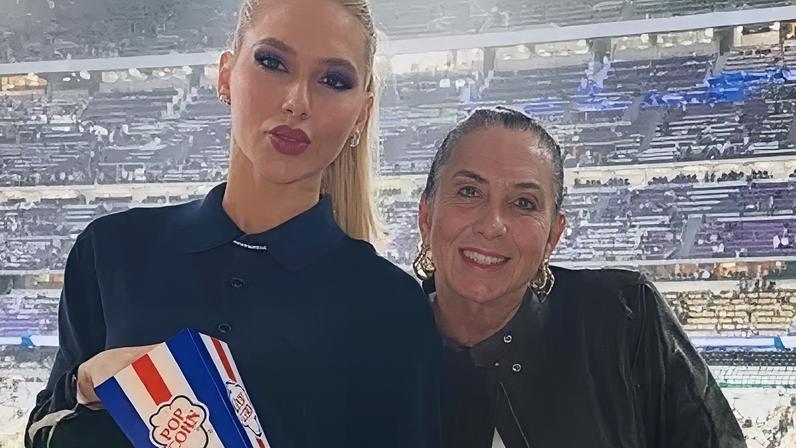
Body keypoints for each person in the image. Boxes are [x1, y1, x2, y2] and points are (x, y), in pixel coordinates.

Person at [25, 1, 440, 447]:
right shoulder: (111, 250)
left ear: (361, 113)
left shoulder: (391, 307)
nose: (297, 102)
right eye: (272, 63)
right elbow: (42, 432)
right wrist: (84, 384)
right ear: (226, 75)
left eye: (333, 80)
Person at [413, 106, 745, 448]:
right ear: (426, 216)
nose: (492, 225)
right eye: (469, 192)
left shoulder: (623, 318)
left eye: (524, 203)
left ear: (552, 237)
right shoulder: (385, 347)